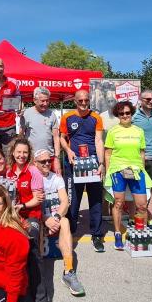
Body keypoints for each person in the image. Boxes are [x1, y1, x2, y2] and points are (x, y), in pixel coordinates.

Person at [5, 138, 51, 302]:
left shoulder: (33, 172)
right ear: (13, 153)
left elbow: (37, 200)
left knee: (31, 249)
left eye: (25, 152)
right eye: (18, 152)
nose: (22, 155)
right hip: (11, 217)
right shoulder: (7, 172)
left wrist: (22, 205)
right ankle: (7, 299)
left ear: (29, 153)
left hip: (30, 217)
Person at [34, 149, 85, 301]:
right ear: (35, 163)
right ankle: (36, 274)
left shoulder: (56, 178)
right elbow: (33, 207)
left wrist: (55, 217)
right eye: (42, 162)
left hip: (54, 218)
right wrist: (45, 219)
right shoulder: (33, 178)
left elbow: (64, 202)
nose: (47, 163)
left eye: (48, 160)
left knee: (65, 221)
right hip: (39, 218)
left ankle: (68, 271)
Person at [60, 90, 106, 252]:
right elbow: (62, 137)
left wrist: (101, 163)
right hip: (74, 163)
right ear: (75, 101)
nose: (84, 103)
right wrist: (68, 151)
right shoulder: (67, 117)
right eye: (80, 101)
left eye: (86, 100)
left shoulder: (96, 117)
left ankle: (97, 235)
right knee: (73, 199)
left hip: (92, 163)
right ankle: (70, 231)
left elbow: (98, 140)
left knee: (96, 200)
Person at [104, 101, 152, 250]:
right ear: (117, 115)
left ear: (131, 113)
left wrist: (142, 169)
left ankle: (138, 233)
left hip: (136, 171)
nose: (125, 116)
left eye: (127, 113)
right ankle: (118, 233)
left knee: (142, 205)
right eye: (121, 113)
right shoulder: (113, 131)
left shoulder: (139, 131)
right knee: (118, 203)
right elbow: (108, 153)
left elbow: (142, 153)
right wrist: (108, 172)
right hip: (118, 170)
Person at [131, 90, 152, 239]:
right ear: (141, 100)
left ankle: (150, 222)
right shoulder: (133, 116)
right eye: (148, 99)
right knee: (135, 190)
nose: (151, 101)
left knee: (150, 190)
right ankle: (135, 221)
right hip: (136, 158)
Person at [20, 87, 61, 174]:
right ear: (35, 100)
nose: (45, 103)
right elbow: (20, 136)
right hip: (32, 158)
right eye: (42, 101)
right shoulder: (26, 114)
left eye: (47, 101)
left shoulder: (52, 114)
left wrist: (57, 158)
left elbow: (56, 137)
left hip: (49, 158)